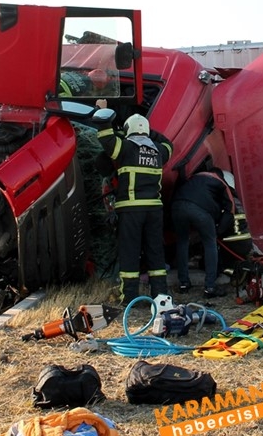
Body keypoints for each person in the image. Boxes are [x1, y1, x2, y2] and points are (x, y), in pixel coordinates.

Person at [94, 109, 173, 304]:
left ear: (129, 130)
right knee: (155, 252)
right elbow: (169, 144)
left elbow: (106, 139)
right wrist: (149, 133)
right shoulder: (159, 150)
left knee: (130, 251)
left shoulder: (126, 147)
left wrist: (104, 118)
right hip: (154, 210)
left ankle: (129, 297)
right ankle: (161, 296)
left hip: (131, 209)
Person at [171, 168, 235, 299]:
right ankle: (210, 287)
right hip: (200, 210)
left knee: (182, 242)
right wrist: (218, 230)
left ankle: (183, 283)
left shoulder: (193, 177)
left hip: (177, 206)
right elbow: (230, 210)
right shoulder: (220, 181)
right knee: (210, 244)